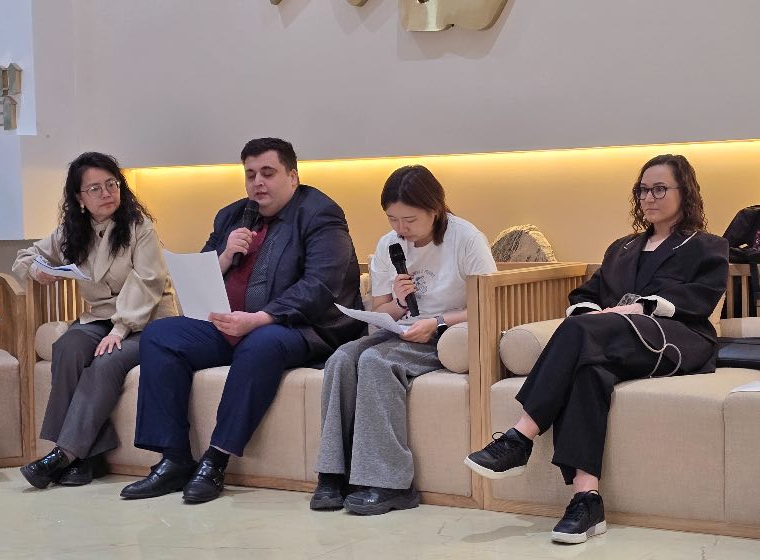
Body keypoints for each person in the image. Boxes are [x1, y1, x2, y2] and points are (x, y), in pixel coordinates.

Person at [464, 154, 728, 544]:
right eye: (642, 190)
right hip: (613, 340)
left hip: (676, 340)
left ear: (684, 192)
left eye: (659, 189)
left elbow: (701, 298)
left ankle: (520, 437)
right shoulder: (622, 248)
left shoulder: (707, 246)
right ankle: (586, 500)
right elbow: (586, 295)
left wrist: (640, 307)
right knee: (588, 371)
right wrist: (597, 312)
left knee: (581, 331)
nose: (648, 198)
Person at [120, 137, 364, 503]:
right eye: (250, 175)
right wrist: (223, 256)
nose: (258, 183)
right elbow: (199, 274)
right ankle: (173, 459)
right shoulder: (232, 215)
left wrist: (260, 319)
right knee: (160, 334)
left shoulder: (320, 213)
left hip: (301, 328)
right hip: (232, 326)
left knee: (261, 343)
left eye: (268, 173)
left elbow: (320, 285)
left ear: (293, 177)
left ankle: (215, 460)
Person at [312, 165, 497, 515]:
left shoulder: (466, 238)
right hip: (401, 332)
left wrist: (436, 321)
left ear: (434, 209)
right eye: (393, 219)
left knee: (376, 362)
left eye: (409, 220)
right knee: (341, 358)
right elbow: (382, 309)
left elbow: (488, 304)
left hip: (447, 335)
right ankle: (334, 474)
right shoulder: (388, 245)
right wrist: (398, 302)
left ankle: (391, 484)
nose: (401, 229)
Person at [13, 152, 176, 489]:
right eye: (95, 188)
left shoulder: (140, 227)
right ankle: (90, 457)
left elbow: (147, 283)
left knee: (105, 361)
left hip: (145, 321)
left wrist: (120, 329)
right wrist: (37, 271)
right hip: (99, 318)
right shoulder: (73, 231)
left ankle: (65, 455)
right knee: (67, 347)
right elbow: (27, 256)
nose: (106, 193)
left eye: (111, 184)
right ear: (79, 198)